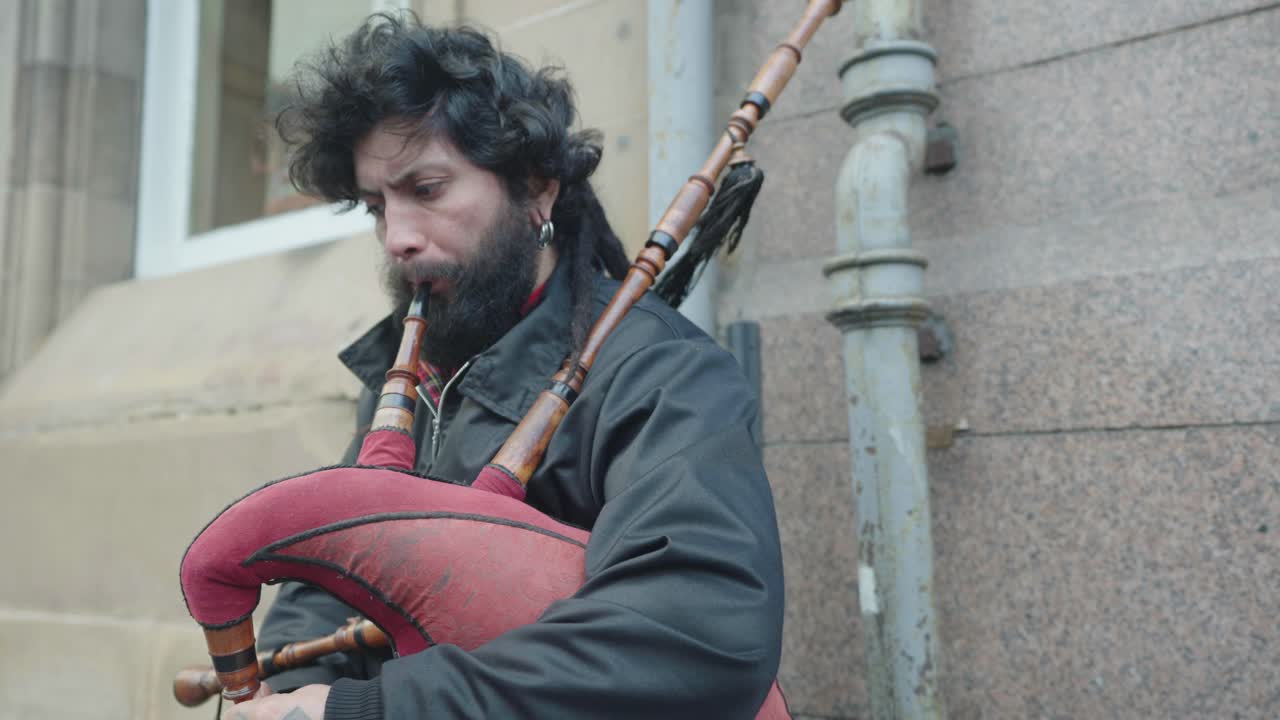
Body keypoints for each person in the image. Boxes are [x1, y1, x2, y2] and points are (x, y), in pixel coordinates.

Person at [226, 13, 784, 720]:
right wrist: (283, 696)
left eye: (426, 190)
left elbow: (700, 635)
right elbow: (333, 564)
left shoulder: (659, 372)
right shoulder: (410, 375)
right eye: (376, 206)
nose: (397, 237)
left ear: (536, 188)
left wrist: (360, 711)